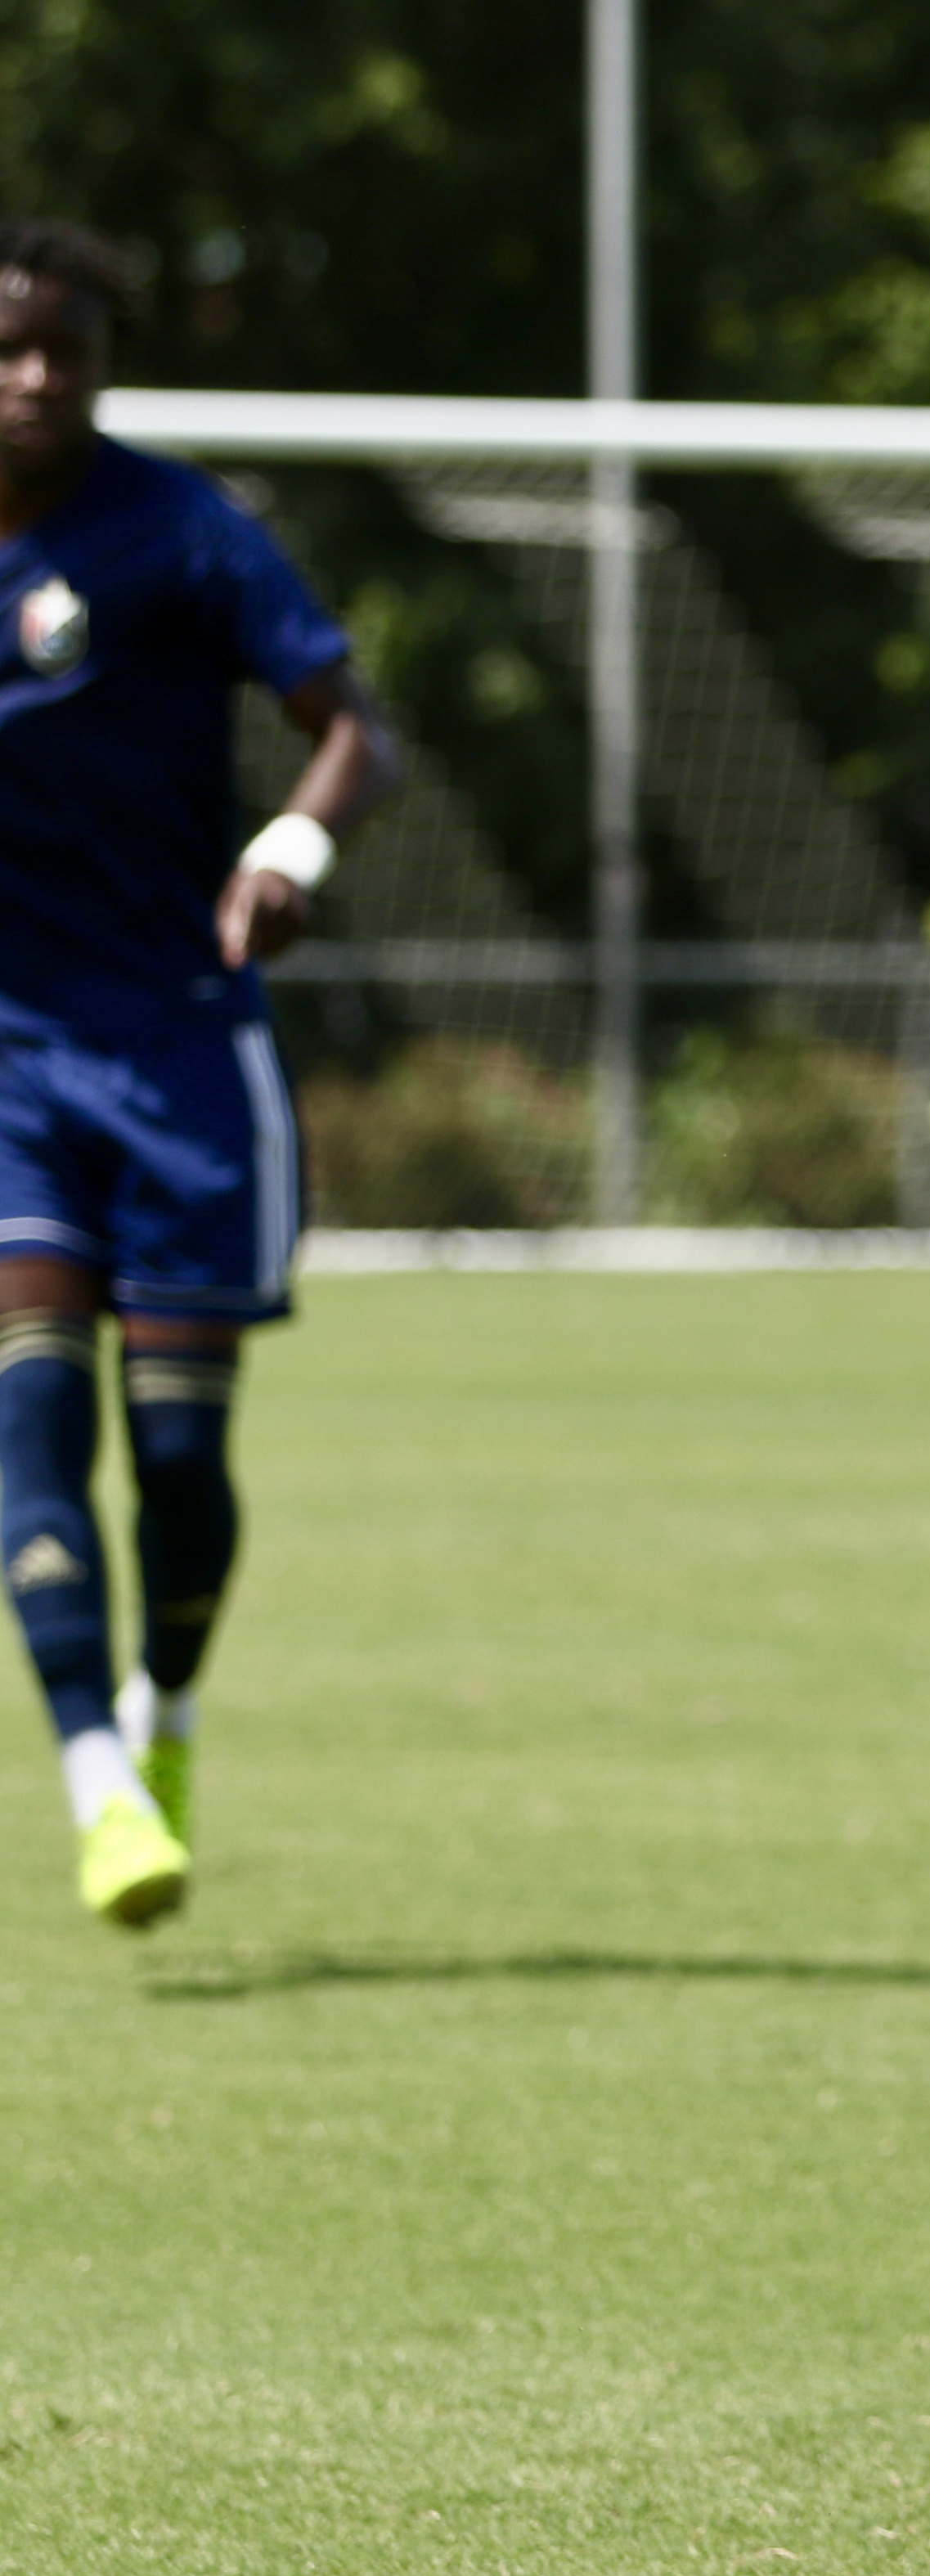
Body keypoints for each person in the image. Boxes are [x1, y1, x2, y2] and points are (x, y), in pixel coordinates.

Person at [0, 219, 401, 1925]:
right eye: (10, 347)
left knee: (175, 1461)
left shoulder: (177, 529)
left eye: (65, 349)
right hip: (6, 1056)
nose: (35, 377)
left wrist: (295, 852)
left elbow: (354, 726)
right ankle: (97, 1779)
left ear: (102, 360)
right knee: (29, 1408)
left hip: (178, 1041)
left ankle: (170, 1719)